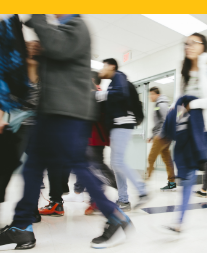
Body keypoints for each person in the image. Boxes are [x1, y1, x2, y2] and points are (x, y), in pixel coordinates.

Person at [0, 14, 133, 250]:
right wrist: (39, 53)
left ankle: (116, 217)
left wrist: (37, 20)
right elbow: (58, 59)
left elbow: (60, 48)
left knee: (78, 165)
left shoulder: (76, 25)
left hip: (68, 111)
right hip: (50, 110)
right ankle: (22, 227)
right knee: (32, 168)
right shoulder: (62, 30)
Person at [162, 33, 207, 232]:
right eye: (186, 43)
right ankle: (179, 221)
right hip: (192, 132)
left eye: (194, 42)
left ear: (204, 46)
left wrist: (195, 104)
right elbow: (180, 103)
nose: (189, 46)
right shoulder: (185, 73)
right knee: (188, 175)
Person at [97, 58, 149, 211]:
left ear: (111, 66)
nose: (102, 70)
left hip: (122, 123)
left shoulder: (119, 76)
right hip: (119, 125)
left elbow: (119, 94)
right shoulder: (115, 81)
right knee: (116, 163)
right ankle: (123, 200)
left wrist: (99, 95)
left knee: (118, 162)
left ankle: (142, 191)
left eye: (104, 66)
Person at [63, 71, 118, 214]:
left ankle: (99, 199)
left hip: (95, 137)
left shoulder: (98, 95)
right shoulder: (93, 95)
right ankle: (89, 197)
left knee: (95, 167)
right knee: (89, 166)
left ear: (92, 80)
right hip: (90, 136)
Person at [0, 41, 42, 223]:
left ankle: (31, 211)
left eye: (36, 45)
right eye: (29, 45)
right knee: (5, 168)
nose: (32, 47)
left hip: (40, 128)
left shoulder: (46, 72)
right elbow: (3, 97)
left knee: (34, 171)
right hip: (18, 126)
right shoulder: (16, 72)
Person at [146, 87, 176, 191]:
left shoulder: (161, 104)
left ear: (157, 95)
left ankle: (145, 181)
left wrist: (160, 135)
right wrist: (151, 136)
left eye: (151, 94)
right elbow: (158, 123)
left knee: (151, 158)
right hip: (163, 135)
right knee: (167, 160)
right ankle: (172, 183)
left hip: (162, 136)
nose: (150, 97)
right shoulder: (158, 104)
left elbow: (165, 120)